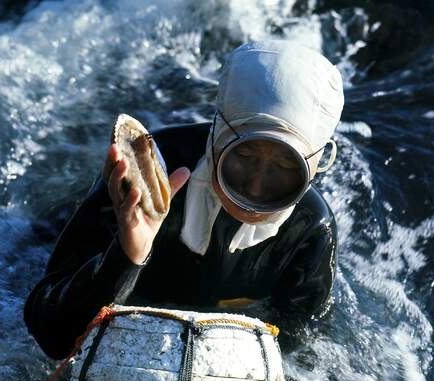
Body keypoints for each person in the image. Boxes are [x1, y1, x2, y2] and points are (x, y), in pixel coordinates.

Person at [24, 40, 344, 359]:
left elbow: (300, 347)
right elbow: (51, 336)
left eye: (285, 167)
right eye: (243, 154)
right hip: (41, 239)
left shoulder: (310, 227)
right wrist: (128, 252)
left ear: (316, 164)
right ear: (218, 132)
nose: (256, 188)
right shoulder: (146, 181)